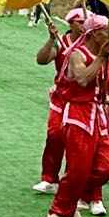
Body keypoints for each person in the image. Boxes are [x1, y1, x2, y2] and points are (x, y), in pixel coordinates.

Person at [46, 16, 109, 217]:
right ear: (92, 35)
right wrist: (100, 59)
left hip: (97, 114)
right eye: (105, 32)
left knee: (107, 167)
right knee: (78, 168)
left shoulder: (107, 57)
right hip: (79, 114)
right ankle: (57, 213)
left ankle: (71, 198)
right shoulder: (77, 54)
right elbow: (81, 79)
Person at [31, 10, 89, 195]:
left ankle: (77, 182)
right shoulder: (62, 42)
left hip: (83, 99)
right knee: (55, 135)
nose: (83, 26)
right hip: (62, 97)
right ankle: (49, 178)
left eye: (85, 22)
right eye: (79, 22)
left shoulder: (91, 43)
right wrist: (50, 39)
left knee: (79, 143)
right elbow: (42, 60)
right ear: (70, 24)